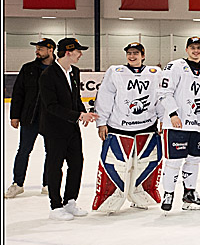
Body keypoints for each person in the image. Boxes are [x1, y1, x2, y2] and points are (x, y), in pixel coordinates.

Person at [93, 42, 165, 213]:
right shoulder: (115, 72)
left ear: (143, 55)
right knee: (115, 164)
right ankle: (109, 200)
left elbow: (161, 97)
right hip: (118, 128)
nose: (132, 56)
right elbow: (105, 97)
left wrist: (164, 119)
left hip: (147, 127)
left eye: (136, 53)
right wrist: (101, 121)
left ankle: (142, 196)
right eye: (129, 53)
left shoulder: (155, 73)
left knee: (145, 163)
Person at [37, 37, 99, 220]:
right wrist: (79, 116)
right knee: (55, 166)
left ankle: (70, 200)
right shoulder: (48, 75)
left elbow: (74, 98)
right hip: (54, 129)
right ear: (68, 52)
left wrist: (82, 112)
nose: (80, 54)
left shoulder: (74, 72)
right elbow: (51, 106)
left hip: (71, 128)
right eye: (78, 51)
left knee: (77, 163)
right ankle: (55, 206)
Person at [156, 36, 200, 212]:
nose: (196, 50)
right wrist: (173, 114)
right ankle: (168, 194)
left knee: (194, 161)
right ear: (186, 49)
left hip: (198, 125)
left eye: (199, 48)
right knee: (174, 161)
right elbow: (164, 93)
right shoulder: (175, 66)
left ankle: (190, 195)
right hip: (177, 125)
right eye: (192, 47)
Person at [6, 38, 56, 198]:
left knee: (52, 152)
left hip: (51, 119)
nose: (37, 51)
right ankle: (17, 183)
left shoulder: (58, 69)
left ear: (51, 49)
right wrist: (15, 115)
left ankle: (48, 184)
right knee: (23, 150)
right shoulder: (28, 69)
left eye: (41, 48)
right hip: (30, 118)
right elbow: (18, 93)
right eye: (37, 48)